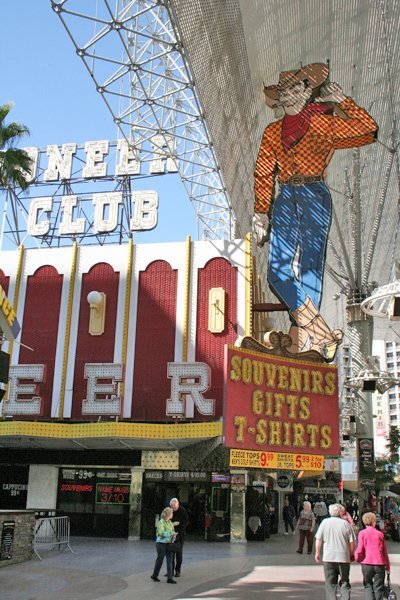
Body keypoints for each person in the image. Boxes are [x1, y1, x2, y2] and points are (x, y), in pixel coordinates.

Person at [253, 63, 378, 361]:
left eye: (299, 88)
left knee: (310, 266)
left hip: (314, 193)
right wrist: (261, 210)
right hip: (284, 196)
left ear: (309, 92)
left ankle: (306, 338)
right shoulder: (272, 132)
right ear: (280, 98)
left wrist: (343, 102)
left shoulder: (325, 123)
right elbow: (262, 171)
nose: (293, 95)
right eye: (286, 91)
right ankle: (320, 333)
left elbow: (369, 131)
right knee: (278, 272)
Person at [315, 503, 356, 600]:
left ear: (330, 512)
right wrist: (351, 554)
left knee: (330, 583)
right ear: (341, 513)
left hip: (329, 557)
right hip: (343, 558)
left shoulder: (325, 522)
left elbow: (318, 539)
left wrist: (317, 553)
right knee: (345, 582)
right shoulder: (346, 524)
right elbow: (352, 542)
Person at [354, 512, 390, 600]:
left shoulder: (362, 533)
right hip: (379, 564)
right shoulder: (380, 534)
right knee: (378, 587)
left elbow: (359, 549)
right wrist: (388, 567)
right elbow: (385, 552)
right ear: (374, 521)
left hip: (366, 563)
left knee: (368, 585)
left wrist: (357, 558)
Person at [151, 506, 177, 584]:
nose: (172, 514)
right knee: (160, 560)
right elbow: (161, 533)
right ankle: (155, 575)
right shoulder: (161, 522)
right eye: (171, 513)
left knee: (170, 560)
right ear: (168, 514)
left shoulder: (170, 522)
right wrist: (171, 533)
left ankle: (170, 578)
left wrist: (174, 535)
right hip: (161, 544)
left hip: (169, 543)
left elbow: (172, 531)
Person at [170, 497, 189, 577]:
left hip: (180, 535)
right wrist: (172, 525)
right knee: (170, 554)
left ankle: (177, 570)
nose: (173, 509)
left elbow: (186, 521)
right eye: (172, 507)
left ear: (178, 504)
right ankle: (170, 570)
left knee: (178, 553)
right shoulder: (169, 510)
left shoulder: (182, 511)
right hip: (171, 534)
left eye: (174, 507)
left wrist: (179, 524)